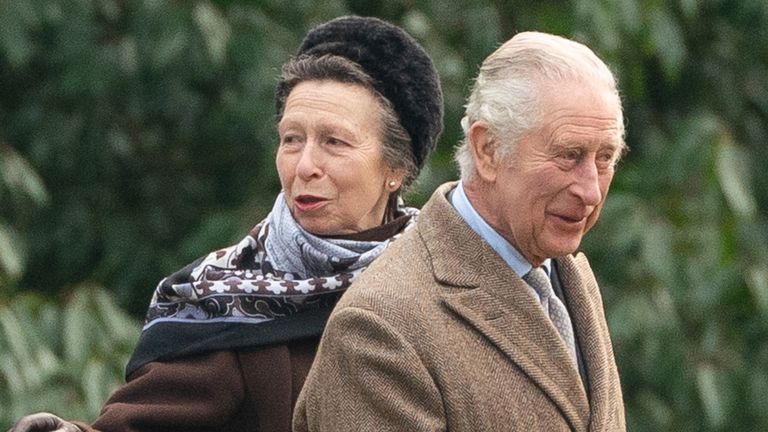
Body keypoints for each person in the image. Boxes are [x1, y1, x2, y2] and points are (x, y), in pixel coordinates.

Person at [9, 16, 443, 432]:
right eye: (292, 139)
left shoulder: (443, 283)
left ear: (397, 169)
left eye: (334, 142)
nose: (305, 165)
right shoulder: (224, 298)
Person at [293, 30, 627, 432]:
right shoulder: (378, 326)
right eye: (568, 156)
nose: (590, 190)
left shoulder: (571, 281)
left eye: (605, 158)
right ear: (487, 150)